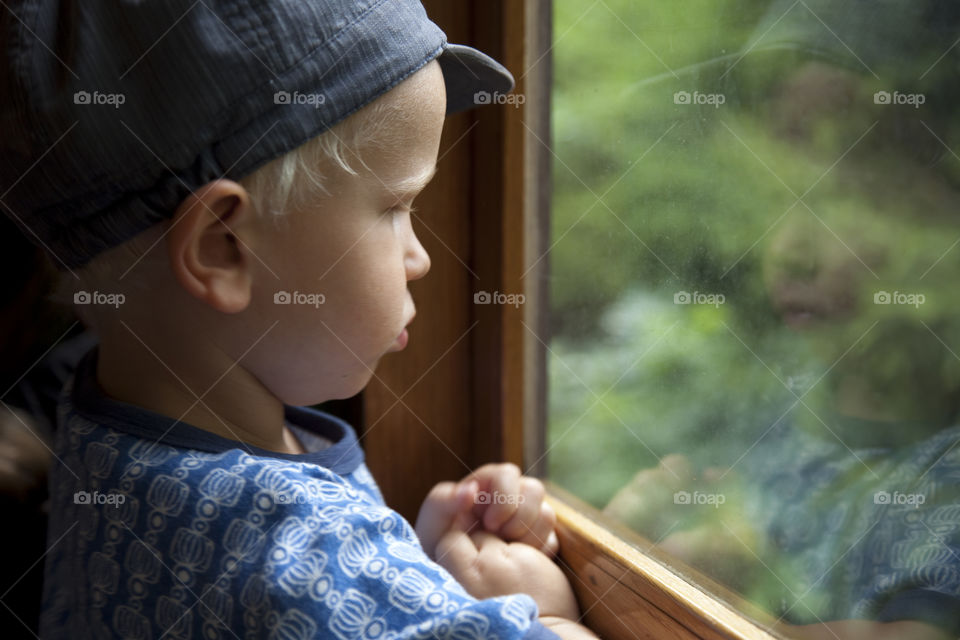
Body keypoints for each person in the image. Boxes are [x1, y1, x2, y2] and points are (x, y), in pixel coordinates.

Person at [0, 2, 596, 638]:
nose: (421, 258)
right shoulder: (298, 548)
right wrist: (548, 615)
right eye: (396, 207)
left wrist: (409, 583)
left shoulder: (102, 435)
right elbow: (306, 581)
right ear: (222, 247)